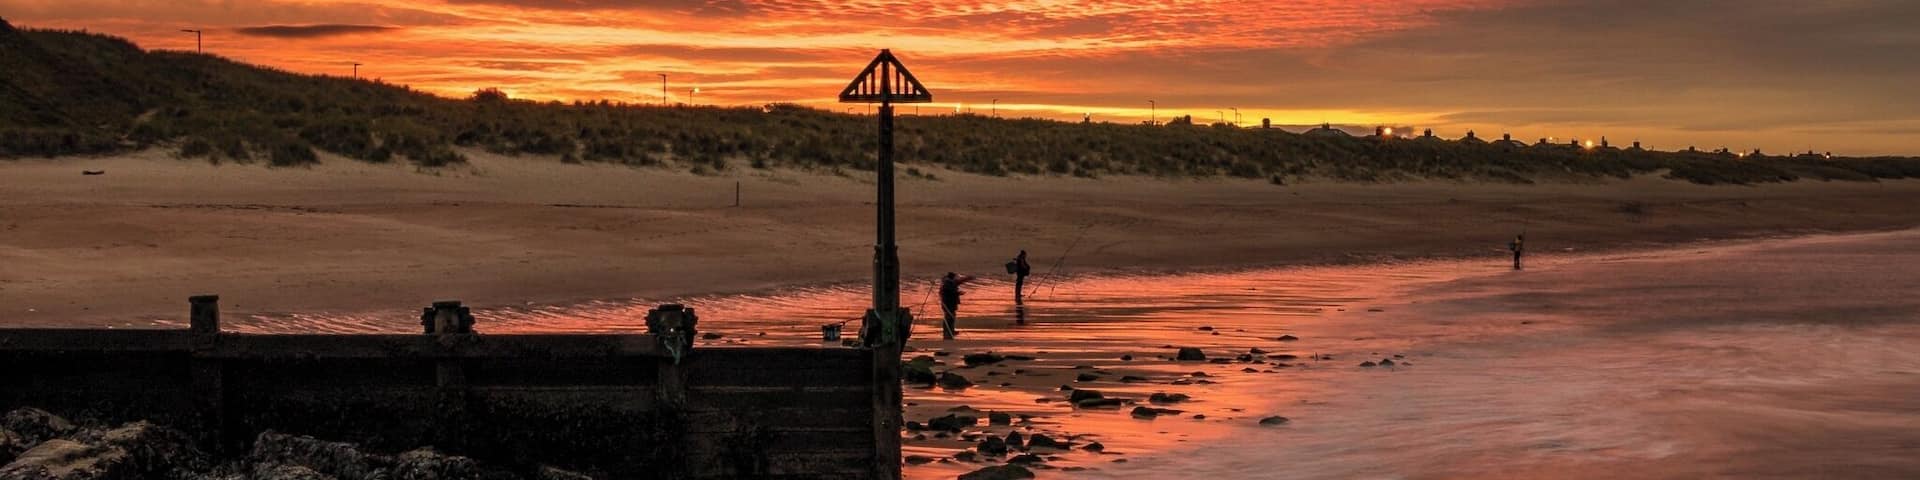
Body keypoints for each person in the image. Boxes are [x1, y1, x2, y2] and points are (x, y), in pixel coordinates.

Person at [938, 272, 974, 340]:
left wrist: (967, 278)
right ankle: (948, 331)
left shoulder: (949, 282)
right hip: (948, 303)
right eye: (955, 277)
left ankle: (950, 331)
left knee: (951, 316)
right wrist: (958, 293)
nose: (956, 278)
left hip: (950, 303)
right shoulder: (947, 283)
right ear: (953, 277)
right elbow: (950, 292)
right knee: (949, 317)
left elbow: (959, 282)